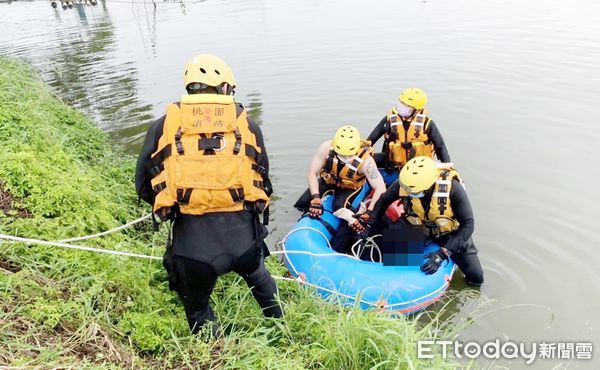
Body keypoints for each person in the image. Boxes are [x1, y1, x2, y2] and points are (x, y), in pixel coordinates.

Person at [135, 54, 283, 335]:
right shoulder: (248, 126)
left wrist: (177, 204)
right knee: (260, 277)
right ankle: (283, 331)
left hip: (193, 247)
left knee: (199, 309)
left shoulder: (163, 126)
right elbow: (262, 176)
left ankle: (216, 354)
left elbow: (143, 185)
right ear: (226, 89)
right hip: (244, 242)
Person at [370, 156, 484, 285]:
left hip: (448, 233)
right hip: (417, 228)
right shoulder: (405, 184)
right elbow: (384, 201)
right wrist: (371, 221)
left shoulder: (453, 188)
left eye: (414, 191)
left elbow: (468, 224)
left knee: (476, 277)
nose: (409, 192)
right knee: (389, 256)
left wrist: (442, 253)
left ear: (428, 185)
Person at [294, 125, 386, 253]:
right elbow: (312, 172)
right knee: (302, 203)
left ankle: (341, 243)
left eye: (348, 155)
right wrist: (315, 197)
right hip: (330, 181)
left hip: (351, 186)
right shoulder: (326, 148)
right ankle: (302, 227)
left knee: (339, 206)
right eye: (341, 154)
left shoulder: (367, 161)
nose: (345, 157)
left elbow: (380, 187)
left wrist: (369, 213)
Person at [366, 88, 451, 173]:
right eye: (401, 102)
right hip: (394, 164)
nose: (401, 106)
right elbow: (371, 140)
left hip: (419, 167)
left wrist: (447, 167)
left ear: (416, 110)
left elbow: (440, 146)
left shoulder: (427, 124)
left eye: (407, 105)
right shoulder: (390, 120)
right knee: (366, 160)